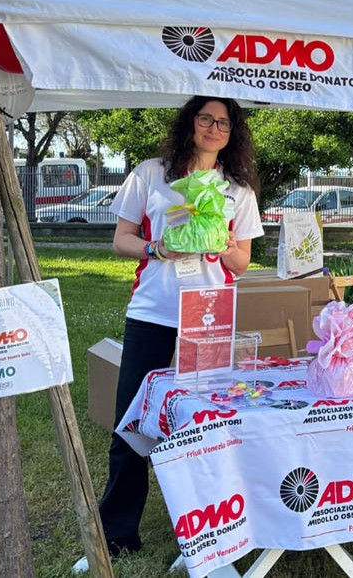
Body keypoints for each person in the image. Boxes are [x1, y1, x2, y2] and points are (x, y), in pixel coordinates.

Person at [95, 96, 263, 560]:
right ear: (190, 123)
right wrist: (156, 249)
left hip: (207, 315)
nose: (214, 128)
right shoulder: (152, 173)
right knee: (131, 424)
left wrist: (226, 244)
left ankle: (209, 528)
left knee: (206, 422)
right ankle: (117, 534)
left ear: (232, 132)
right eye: (206, 118)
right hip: (153, 311)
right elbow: (120, 240)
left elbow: (243, 263)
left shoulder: (238, 191)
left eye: (223, 122)